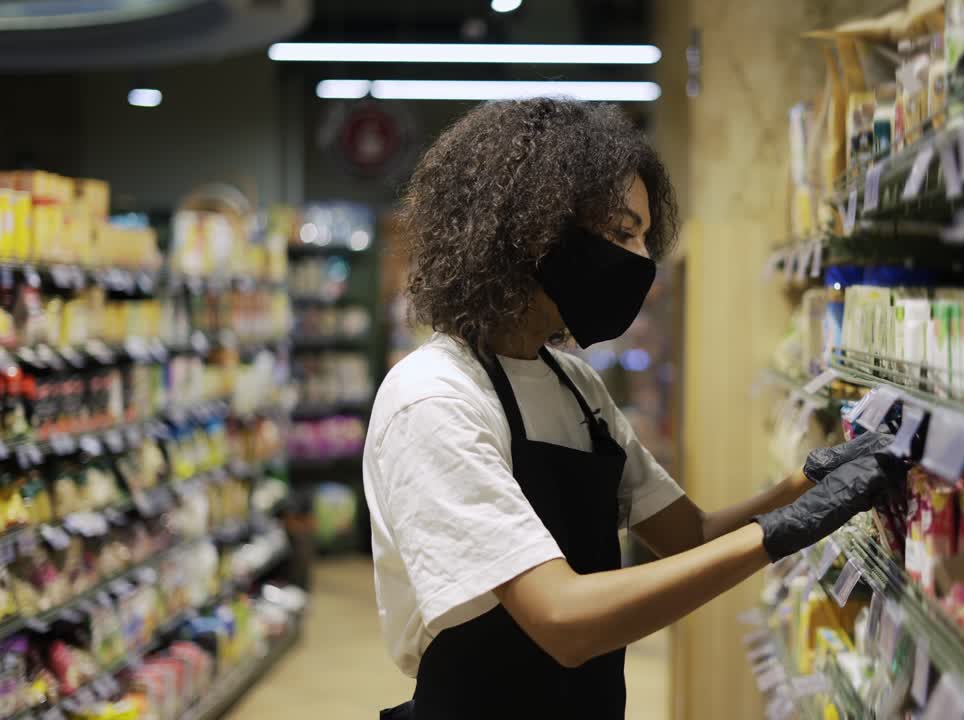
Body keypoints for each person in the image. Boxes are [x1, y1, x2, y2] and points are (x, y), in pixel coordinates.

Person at [365, 98, 902, 719]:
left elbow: (689, 536)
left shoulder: (575, 388)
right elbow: (563, 620)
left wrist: (810, 482)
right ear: (534, 232)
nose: (641, 261)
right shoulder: (434, 398)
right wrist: (776, 534)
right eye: (622, 234)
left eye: (646, 237)